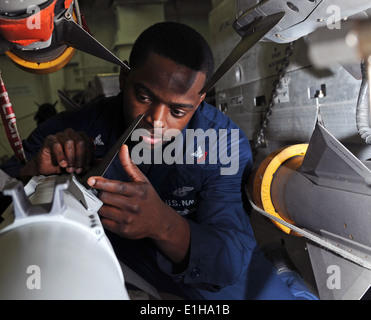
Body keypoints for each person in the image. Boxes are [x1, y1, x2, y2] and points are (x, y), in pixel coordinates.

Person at [0, 22, 317, 300]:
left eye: (178, 111)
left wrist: (162, 223)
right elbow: (8, 185)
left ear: (198, 101)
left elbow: (229, 256)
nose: (157, 120)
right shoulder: (75, 129)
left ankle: (285, 277)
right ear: (124, 79)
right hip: (115, 252)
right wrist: (33, 173)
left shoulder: (222, 143)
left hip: (190, 249)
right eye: (145, 97)